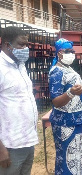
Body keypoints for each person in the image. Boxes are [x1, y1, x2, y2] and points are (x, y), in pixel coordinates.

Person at [0, 26, 39, 175]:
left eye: (26, 45)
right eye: (21, 45)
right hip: (9, 147)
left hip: (28, 141)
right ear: (6, 45)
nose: (25, 48)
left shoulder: (20, 66)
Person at [49, 38, 82, 175]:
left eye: (72, 51)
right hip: (65, 123)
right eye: (67, 51)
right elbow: (56, 101)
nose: (71, 54)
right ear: (59, 53)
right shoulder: (56, 72)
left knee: (76, 156)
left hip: (76, 121)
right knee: (66, 158)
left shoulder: (68, 68)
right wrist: (71, 92)